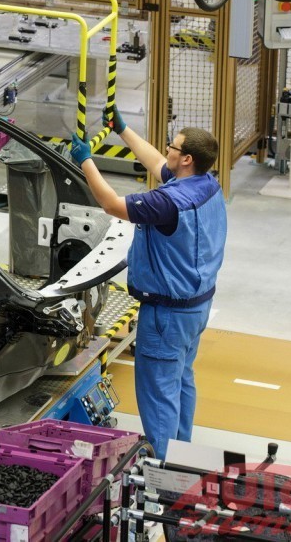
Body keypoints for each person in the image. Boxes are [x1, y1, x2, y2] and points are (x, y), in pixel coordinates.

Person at [69, 107, 226, 459]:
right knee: (180, 381)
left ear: (186, 159)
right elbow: (157, 163)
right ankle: (182, 454)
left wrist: (85, 161)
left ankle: (163, 468)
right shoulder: (206, 185)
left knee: (158, 395)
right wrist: (122, 130)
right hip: (196, 308)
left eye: (173, 146)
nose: (167, 149)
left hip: (166, 315)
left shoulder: (167, 203)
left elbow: (111, 204)